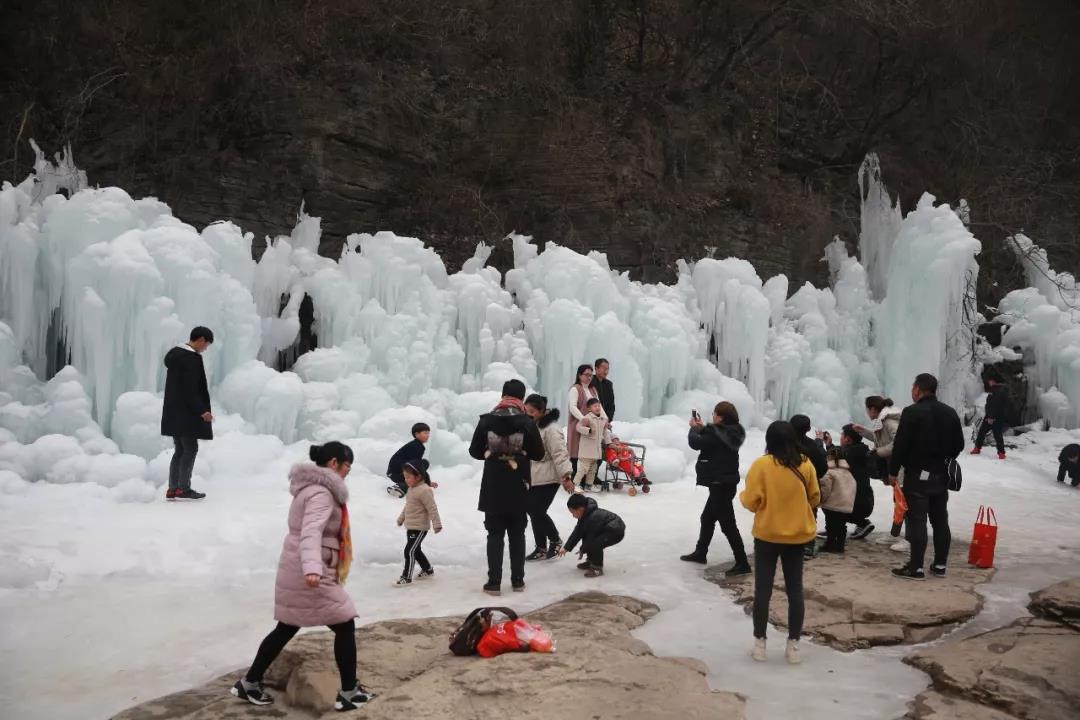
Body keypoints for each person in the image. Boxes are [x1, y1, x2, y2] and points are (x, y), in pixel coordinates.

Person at [231, 442, 376, 710]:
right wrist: (312, 568)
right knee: (344, 623)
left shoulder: (311, 489)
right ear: (334, 463)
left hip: (301, 565)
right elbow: (311, 532)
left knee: (287, 626)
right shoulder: (322, 493)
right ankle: (349, 692)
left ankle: (249, 682)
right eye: (347, 467)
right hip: (310, 568)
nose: (347, 473)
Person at [740, 421, 820, 665]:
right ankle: (793, 646)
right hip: (798, 536)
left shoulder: (762, 465)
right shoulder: (805, 464)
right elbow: (815, 496)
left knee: (762, 591)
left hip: (768, 535)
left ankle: (760, 645)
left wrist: (745, 497)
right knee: (795, 590)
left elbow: (752, 501)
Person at [469, 379, 545, 596]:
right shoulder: (526, 422)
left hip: (493, 484)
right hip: (518, 483)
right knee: (517, 533)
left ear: (503, 395)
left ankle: (493, 583)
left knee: (494, 534)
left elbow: (474, 452)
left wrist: (491, 450)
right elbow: (539, 454)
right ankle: (518, 581)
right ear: (521, 398)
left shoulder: (486, 421)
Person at [888, 373, 964, 581]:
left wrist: (893, 472)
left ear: (917, 389)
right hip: (941, 474)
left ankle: (916, 568)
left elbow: (900, 446)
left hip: (918, 475)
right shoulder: (949, 412)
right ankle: (940, 565)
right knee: (940, 519)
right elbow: (959, 445)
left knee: (917, 520)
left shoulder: (912, 412)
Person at [680, 401, 751, 576]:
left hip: (720, 484)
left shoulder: (718, 434)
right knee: (707, 518)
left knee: (728, 525)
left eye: (714, 414)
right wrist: (704, 428)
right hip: (725, 483)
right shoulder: (733, 431)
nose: (713, 416)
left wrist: (694, 428)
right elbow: (715, 438)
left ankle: (742, 563)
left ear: (720, 417)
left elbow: (695, 443)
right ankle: (701, 552)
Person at [160, 326, 215, 501]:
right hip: (187, 413)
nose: (205, 348)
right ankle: (183, 488)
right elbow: (191, 390)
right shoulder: (190, 359)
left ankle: (172, 488)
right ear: (200, 340)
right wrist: (202, 411)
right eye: (206, 344)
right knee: (190, 448)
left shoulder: (175, 356)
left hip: (173, 412)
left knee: (180, 450)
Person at [524, 394, 574, 561]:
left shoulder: (551, 428)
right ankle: (541, 547)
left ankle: (555, 540)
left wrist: (566, 476)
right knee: (533, 510)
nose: (527, 413)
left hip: (550, 476)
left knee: (536, 510)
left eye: (531, 411)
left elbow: (560, 453)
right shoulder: (534, 425)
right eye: (526, 410)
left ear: (541, 411)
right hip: (535, 476)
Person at [394, 460, 442, 587]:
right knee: (416, 550)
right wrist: (401, 518)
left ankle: (406, 577)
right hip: (411, 525)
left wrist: (436, 524)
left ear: (418, 476)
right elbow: (408, 506)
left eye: (409, 477)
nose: (406, 479)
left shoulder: (425, 490)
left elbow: (432, 508)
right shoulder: (412, 489)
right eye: (405, 477)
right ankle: (427, 569)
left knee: (409, 551)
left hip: (420, 527)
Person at [825, 424, 875, 540]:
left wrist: (828, 446)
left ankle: (859, 524)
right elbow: (839, 456)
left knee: (828, 501)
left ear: (848, 439)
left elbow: (835, 460)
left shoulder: (850, 454)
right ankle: (861, 523)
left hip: (856, 505)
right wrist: (829, 445)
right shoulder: (861, 450)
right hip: (866, 501)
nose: (841, 438)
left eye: (842, 436)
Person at [559, 494, 625, 578]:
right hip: (605, 529)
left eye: (573, 512)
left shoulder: (593, 517)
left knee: (595, 543)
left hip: (615, 532)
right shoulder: (585, 515)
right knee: (588, 537)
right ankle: (591, 562)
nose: (573, 516)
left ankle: (597, 568)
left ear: (580, 509)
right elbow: (578, 532)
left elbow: (591, 538)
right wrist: (567, 547)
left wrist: (583, 549)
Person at [790, 415, 826, 559]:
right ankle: (808, 546)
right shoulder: (812, 446)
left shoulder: (784, 445)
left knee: (789, 515)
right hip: (808, 488)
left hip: (788, 488)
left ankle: (788, 542)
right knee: (810, 516)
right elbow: (823, 468)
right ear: (808, 429)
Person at [567, 364, 604, 477]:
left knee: (593, 450)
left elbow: (599, 407)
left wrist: (605, 420)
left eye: (590, 375)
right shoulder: (575, 389)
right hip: (578, 425)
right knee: (576, 451)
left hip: (593, 425)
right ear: (579, 375)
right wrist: (583, 419)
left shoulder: (593, 389)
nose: (589, 377)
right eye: (586, 375)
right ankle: (575, 478)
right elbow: (572, 407)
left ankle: (591, 477)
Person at [818, 447, 857, 553]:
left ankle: (829, 544)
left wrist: (820, 500)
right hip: (845, 505)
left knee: (830, 525)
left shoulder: (830, 473)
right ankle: (840, 546)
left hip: (832, 505)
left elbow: (825, 489)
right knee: (841, 526)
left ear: (829, 458)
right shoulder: (849, 473)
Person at [385, 423, 431, 498]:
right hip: (397, 474)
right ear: (416, 434)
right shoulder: (416, 446)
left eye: (428, 433)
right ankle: (400, 487)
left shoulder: (415, 445)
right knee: (424, 464)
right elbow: (417, 467)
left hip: (394, 473)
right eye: (425, 433)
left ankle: (401, 486)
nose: (428, 435)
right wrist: (427, 482)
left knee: (421, 465)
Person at [971, 375, 1010, 459]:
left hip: (993, 417)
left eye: (990, 380)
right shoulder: (999, 390)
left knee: (995, 434)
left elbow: (995, 405)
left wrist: (991, 417)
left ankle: (1000, 453)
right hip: (993, 416)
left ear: (993, 381)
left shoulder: (997, 391)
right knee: (986, 432)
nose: (989, 382)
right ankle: (979, 448)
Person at [573, 398, 607, 492]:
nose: (597, 408)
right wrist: (588, 430)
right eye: (595, 406)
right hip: (586, 450)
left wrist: (609, 443)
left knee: (593, 469)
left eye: (598, 406)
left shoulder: (603, 420)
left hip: (595, 451)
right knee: (583, 469)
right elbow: (578, 427)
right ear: (589, 409)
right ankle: (575, 484)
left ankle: (589, 485)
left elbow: (605, 432)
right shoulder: (587, 418)